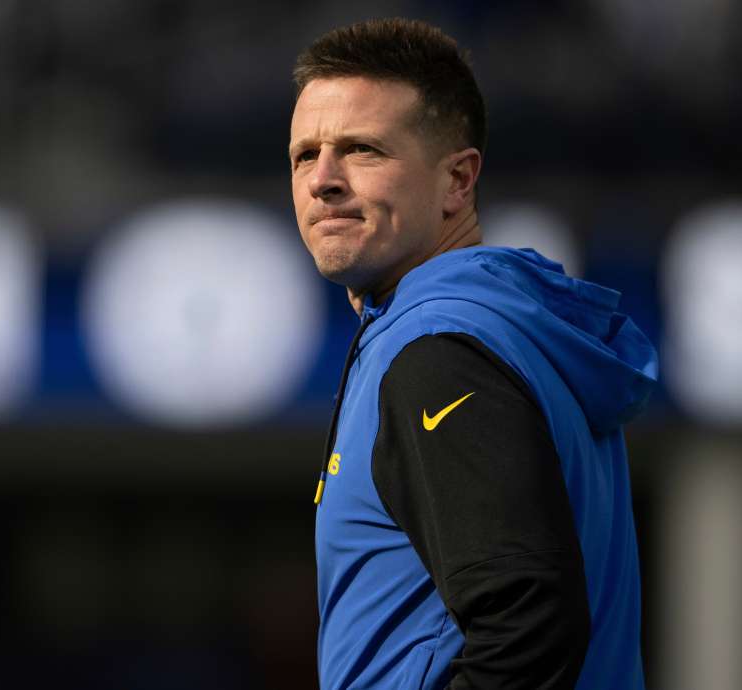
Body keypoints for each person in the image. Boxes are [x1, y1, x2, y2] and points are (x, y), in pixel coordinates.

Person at [290, 18, 658, 690]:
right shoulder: (495, 329)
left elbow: (528, 627)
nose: (323, 181)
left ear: (457, 180)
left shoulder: (439, 350)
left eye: (363, 150)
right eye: (303, 155)